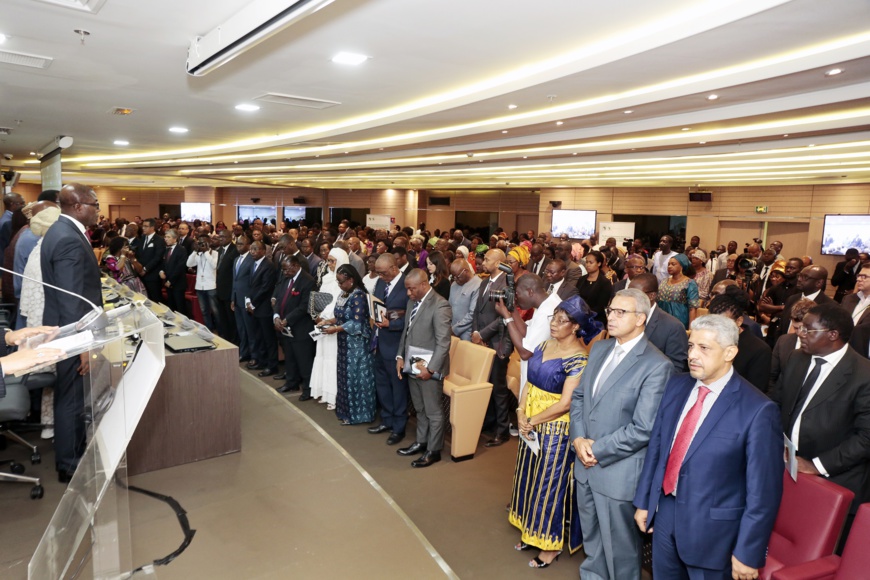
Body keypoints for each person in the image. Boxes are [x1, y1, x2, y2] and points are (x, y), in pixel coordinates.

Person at [634, 314, 783, 579]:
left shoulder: (758, 409)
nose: (692, 355)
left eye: (704, 348)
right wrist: (645, 501)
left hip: (713, 532)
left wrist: (748, 552)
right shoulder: (676, 385)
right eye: (691, 346)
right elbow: (657, 448)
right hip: (665, 512)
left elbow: (763, 492)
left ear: (729, 353)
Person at [571, 288, 673, 579]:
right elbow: (579, 397)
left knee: (621, 554)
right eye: (610, 311)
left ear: (640, 318)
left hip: (617, 472)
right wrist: (578, 439)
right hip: (584, 465)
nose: (611, 317)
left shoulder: (656, 365)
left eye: (620, 312)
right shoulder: (600, 349)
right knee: (592, 546)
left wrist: (596, 450)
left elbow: (643, 428)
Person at [509, 296, 600, 568]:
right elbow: (529, 382)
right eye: (554, 318)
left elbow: (566, 404)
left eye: (562, 321)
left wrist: (532, 420)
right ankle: (530, 530)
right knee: (528, 475)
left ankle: (549, 545)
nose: (554, 324)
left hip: (555, 430)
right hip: (530, 422)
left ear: (575, 327)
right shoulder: (543, 345)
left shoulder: (580, 359)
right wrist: (520, 412)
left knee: (548, 485)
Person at [770, 303, 870, 546]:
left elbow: (866, 438)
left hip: (835, 480)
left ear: (833, 335)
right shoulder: (796, 359)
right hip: (787, 469)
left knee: (815, 550)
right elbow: (777, 404)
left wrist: (816, 465)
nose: (800, 333)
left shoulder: (864, 375)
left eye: (808, 330)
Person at [41, 184, 104, 483]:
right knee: (72, 399)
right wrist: (83, 346)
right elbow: (70, 300)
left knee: (70, 396)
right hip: (71, 333)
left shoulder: (60, 230)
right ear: (78, 206)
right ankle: (70, 463)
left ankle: (71, 454)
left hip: (65, 329)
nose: (98, 210)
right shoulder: (68, 238)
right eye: (95, 204)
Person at [395, 268, 452, 467]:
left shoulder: (440, 305)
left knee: (433, 411)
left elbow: (443, 343)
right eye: (407, 289)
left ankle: (434, 450)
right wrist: (400, 356)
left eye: (411, 289)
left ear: (423, 284)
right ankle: (421, 442)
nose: (408, 293)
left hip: (430, 370)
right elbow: (406, 332)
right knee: (419, 408)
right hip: (413, 365)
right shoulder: (412, 302)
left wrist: (431, 369)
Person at [320, 265, 376, 425]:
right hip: (344, 343)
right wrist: (327, 321)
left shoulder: (359, 296)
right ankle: (345, 412)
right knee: (344, 376)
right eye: (337, 281)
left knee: (356, 378)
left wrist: (336, 329)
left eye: (341, 281)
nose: (339, 285)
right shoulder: (344, 293)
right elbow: (340, 316)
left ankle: (359, 415)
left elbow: (357, 322)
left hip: (357, 345)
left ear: (351, 280)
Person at [472, 249, 514, 447]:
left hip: (498, 342)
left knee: (498, 388)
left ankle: (502, 430)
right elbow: (476, 311)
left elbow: (504, 317)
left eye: (487, 259)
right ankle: (489, 422)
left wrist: (482, 334)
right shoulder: (484, 282)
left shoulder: (507, 285)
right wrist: (475, 332)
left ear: (498, 263)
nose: (483, 262)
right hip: (482, 341)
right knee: (485, 384)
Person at [368, 253, 410, 444]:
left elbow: (410, 319)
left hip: (396, 344)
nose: (381, 276)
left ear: (394, 268)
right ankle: (387, 420)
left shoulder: (407, 285)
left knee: (398, 388)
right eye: (378, 273)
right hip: (378, 341)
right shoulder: (380, 282)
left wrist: (390, 324)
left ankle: (399, 427)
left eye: (383, 273)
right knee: (382, 384)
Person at [707, 287, 772, 392]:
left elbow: (755, 392)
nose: (716, 327)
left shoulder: (759, 350)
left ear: (739, 321)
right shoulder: (705, 340)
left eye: (723, 323)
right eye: (711, 322)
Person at [310, 247, 349, 408]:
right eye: (329, 261)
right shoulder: (326, 278)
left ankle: (334, 396)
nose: (329, 264)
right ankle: (324, 392)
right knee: (322, 355)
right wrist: (317, 315)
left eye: (333, 261)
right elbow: (321, 299)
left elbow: (337, 303)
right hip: (322, 322)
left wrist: (326, 317)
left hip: (334, 324)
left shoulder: (344, 282)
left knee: (332, 359)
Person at [272, 254, 316, 397]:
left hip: (301, 327)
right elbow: (278, 299)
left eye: (286, 269)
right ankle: (291, 383)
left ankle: (308, 389)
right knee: (290, 358)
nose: (284, 272)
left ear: (296, 266)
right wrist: (276, 316)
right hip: (285, 327)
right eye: (283, 269)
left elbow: (304, 306)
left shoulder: (308, 281)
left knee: (304, 360)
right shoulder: (286, 278)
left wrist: (287, 320)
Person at [629, 273, 689, 372]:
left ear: (651, 296)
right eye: (628, 293)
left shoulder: (673, 327)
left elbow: (676, 367)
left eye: (635, 294)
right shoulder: (624, 318)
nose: (629, 298)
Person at [246, 241, 279, 376]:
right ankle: (262, 361)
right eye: (251, 249)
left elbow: (265, 288)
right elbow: (251, 285)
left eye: (256, 249)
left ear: (263, 251)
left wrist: (252, 303)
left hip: (264, 307)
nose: (252, 252)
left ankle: (272, 366)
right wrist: (248, 300)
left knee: (268, 338)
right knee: (258, 336)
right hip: (255, 307)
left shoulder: (268, 265)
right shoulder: (253, 263)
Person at [769, 297, 816, 392]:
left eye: (804, 329)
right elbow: (772, 376)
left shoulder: (820, 347)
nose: (799, 333)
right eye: (796, 328)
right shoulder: (783, 341)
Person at [657, 253, 699, 329]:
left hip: (679, 322)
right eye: (668, 264)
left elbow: (692, 308)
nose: (669, 266)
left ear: (682, 266)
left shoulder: (689, 283)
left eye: (673, 264)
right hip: (661, 321)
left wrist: (691, 330)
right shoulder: (664, 281)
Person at [448, 258, 481, 341]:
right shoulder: (454, 284)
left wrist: (455, 329)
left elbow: (472, 314)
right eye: (453, 276)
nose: (455, 279)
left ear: (466, 271)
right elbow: (449, 307)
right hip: (450, 329)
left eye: (458, 276)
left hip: (467, 333)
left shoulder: (478, 285)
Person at [136, 218, 166, 303]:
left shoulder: (159, 240)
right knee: (144, 299)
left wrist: (145, 269)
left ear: (152, 228)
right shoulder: (142, 238)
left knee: (155, 299)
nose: (143, 228)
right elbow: (139, 254)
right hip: (141, 274)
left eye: (146, 226)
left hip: (153, 275)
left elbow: (157, 257)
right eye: (143, 226)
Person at [578, 251, 613, 324]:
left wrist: (586, 313)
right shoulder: (581, 279)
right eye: (587, 262)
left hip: (596, 319)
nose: (587, 265)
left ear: (599, 263)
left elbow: (601, 306)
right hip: (580, 316)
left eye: (591, 263)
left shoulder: (605, 282)